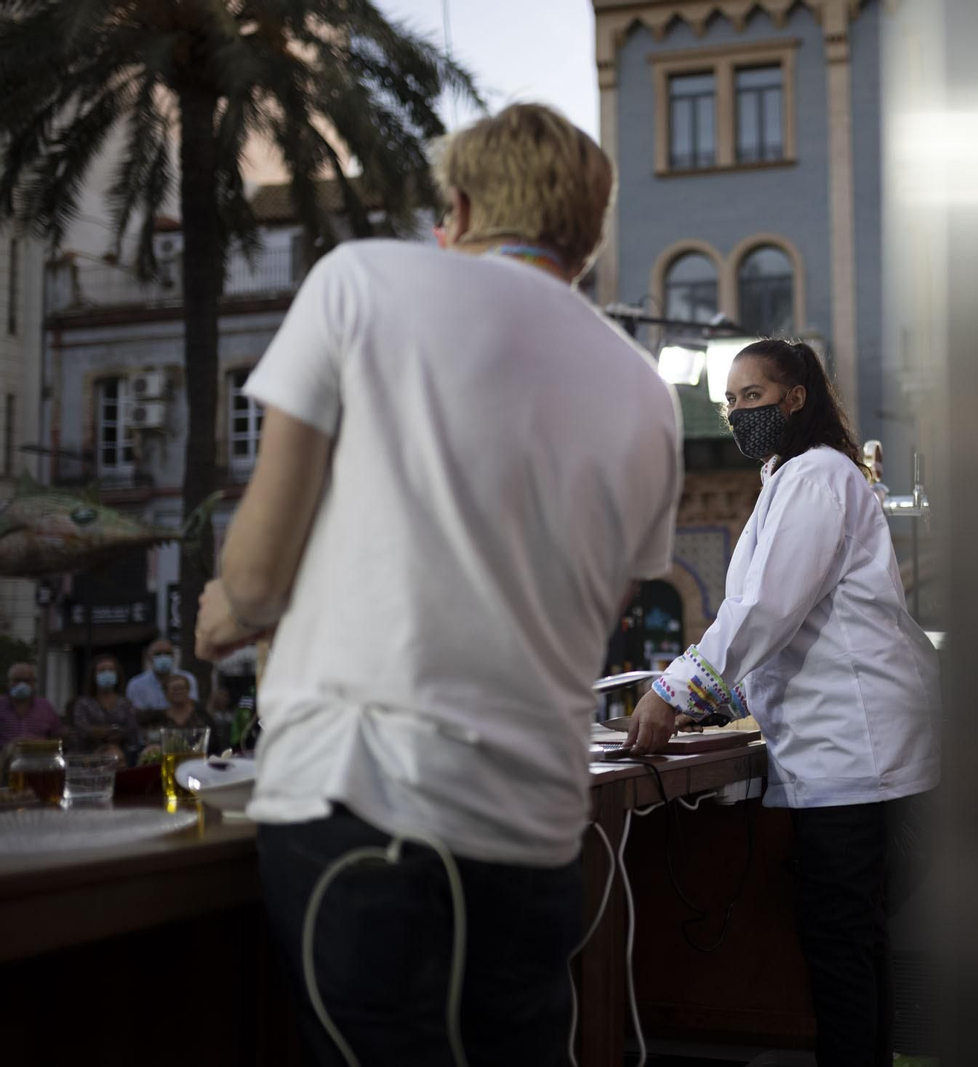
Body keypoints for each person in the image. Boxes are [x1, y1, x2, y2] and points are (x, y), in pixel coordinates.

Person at [193, 102, 681, 1066]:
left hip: (366, 811)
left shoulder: (363, 281)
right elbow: (596, 603)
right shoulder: (646, 392)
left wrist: (228, 610)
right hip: (538, 838)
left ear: (455, 208)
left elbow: (254, 573)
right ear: (584, 240)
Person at [627, 338, 941, 1067]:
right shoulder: (790, 479)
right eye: (730, 402)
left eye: (753, 397)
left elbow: (765, 608)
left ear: (795, 398)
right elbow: (780, 619)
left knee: (842, 948)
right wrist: (721, 691)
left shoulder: (817, 478)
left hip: (857, 756)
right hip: (847, 753)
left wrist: (674, 691)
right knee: (853, 946)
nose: (739, 412)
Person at [67, 655, 139, 763]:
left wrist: (107, 732)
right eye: (102, 670)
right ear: (94, 675)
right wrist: (112, 730)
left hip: (121, 755)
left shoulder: (125, 704)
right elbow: (83, 730)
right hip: (88, 756)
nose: (107, 673)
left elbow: (131, 731)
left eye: (111, 670)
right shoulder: (83, 703)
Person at [0, 661, 65, 775]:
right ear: (9, 682)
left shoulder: (45, 707)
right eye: (17, 680)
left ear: (34, 683)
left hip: (40, 763)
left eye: (26, 681)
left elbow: (59, 736)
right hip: (5, 764)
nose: (21, 685)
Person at [127, 638, 198, 717]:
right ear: (148, 657)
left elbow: (191, 706)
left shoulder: (187, 678)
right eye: (157, 654)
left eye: (167, 653)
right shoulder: (136, 684)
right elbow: (137, 714)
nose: (163, 657)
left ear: (173, 655)